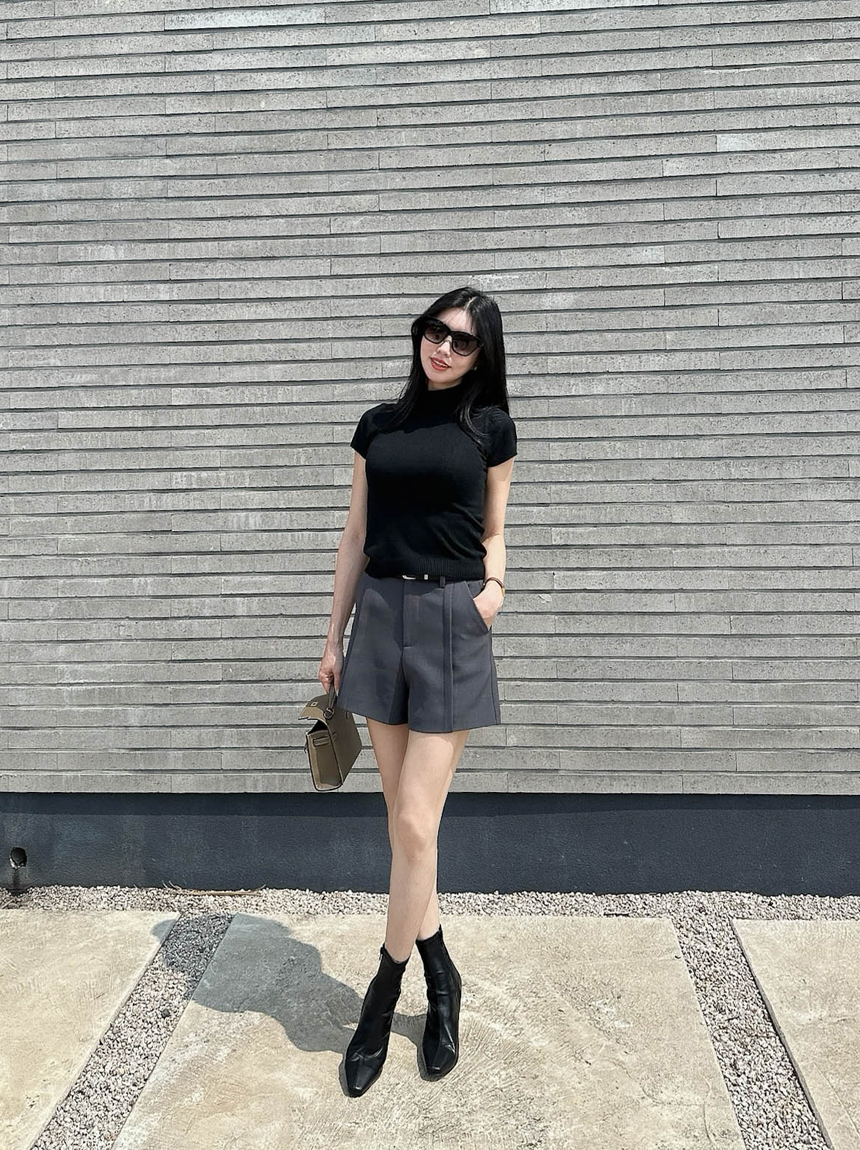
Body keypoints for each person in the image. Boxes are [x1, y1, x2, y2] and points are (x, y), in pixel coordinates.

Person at [317, 285, 517, 1097]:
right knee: (405, 829)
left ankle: (383, 992)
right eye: (436, 331)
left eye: (463, 341)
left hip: (451, 619)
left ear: (482, 355)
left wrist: (493, 590)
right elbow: (355, 535)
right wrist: (332, 638)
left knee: (412, 821)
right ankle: (443, 974)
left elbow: (495, 528)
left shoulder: (490, 429)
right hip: (380, 616)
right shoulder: (378, 426)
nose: (444, 348)